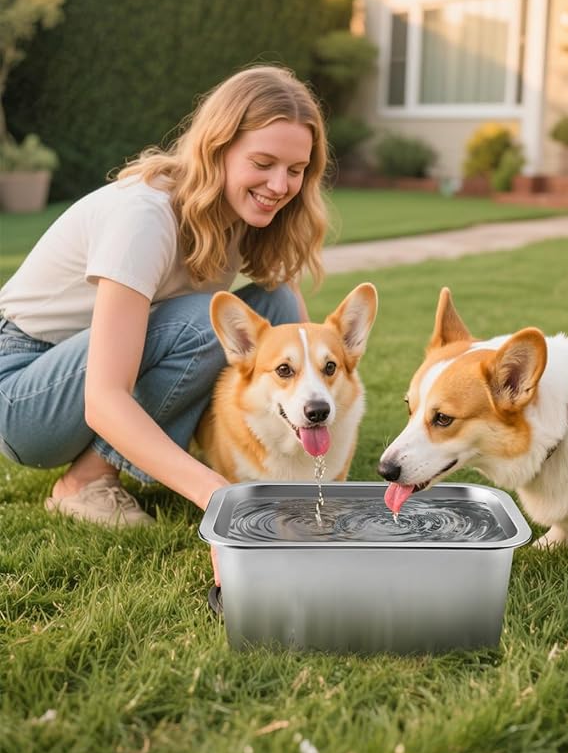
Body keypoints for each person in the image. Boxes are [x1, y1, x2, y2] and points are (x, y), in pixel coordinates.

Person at [0, 65, 328, 529]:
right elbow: (103, 397)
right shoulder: (145, 216)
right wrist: (213, 495)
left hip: (82, 374)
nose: (279, 186)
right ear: (218, 149)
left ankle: (260, 460)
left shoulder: (252, 215)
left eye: (295, 170)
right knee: (200, 323)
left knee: (277, 310)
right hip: (24, 392)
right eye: (262, 164)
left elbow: (300, 333)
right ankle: (84, 484)